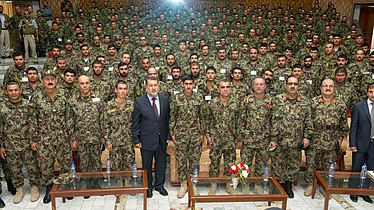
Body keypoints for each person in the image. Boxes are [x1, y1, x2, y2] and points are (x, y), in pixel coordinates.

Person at [30, 68, 71, 204]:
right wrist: (34, 139)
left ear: (56, 80)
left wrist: (71, 137)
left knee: (65, 163)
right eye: (47, 79)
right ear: (42, 81)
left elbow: (68, 117)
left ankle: (66, 187)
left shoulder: (64, 95)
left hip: (62, 137)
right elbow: (32, 119)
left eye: (52, 79)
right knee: (45, 166)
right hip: (44, 139)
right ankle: (49, 188)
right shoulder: (36, 97)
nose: (50, 81)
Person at [271, 77, 313, 198]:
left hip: (296, 140)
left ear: (299, 86)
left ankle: (288, 185)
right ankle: (277, 185)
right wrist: (273, 138)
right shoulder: (277, 100)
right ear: (285, 86)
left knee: (293, 164)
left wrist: (306, 137)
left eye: (295, 84)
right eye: (290, 84)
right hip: (280, 139)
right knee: (277, 163)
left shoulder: (304, 101)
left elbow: (308, 121)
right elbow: (273, 120)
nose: (292, 86)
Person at [0, 81, 40, 204]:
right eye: (11, 90)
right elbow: (1, 127)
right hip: (11, 144)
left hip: (28, 143)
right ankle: (19, 189)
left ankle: (34, 187)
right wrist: (1, 145)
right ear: (6, 92)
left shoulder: (29, 105)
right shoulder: (2, 107)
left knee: (32, 167)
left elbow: (34, 123)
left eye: (16, 90)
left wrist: (34, 140)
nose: (13, 93)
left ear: (21, 90)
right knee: (14, 169)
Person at [169, 74, 208, 198]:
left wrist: (202, 134)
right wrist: (172, 133)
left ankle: (193, 184)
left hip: (195, 135)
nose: (188, 86)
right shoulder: (176, 98)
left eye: (190, 84)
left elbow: (203, 117)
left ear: (194, 85)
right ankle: (183, 184)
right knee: (181, 160)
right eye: (186, 84)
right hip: (181, 135)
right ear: (182, 84)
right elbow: (172, 117)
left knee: (194, 160)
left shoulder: (199, 98)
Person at [132, 77, 170, 198]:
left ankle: (159, 185)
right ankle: (148, 187)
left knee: (161, 163)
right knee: (147, 165)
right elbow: (136, 122)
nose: (153, 88)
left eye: (155, 85)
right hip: (146, 139)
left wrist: (168, 135)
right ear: (146, 87)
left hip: (161, 138)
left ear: (158, 86)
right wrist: (136, 139)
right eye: (150, 85)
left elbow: (167, 119)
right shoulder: (139, 101)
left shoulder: (165, 100)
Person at [349, 82, 374, 203]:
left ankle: (365, 192)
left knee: (370, 169)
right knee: (356, 168)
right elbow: (353, 127)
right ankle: (353, 191)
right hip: (360, 143)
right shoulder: (359, 106)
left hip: (373, 146)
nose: (373, 94)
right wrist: (352, 143)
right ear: (367, 92)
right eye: (371, 91)